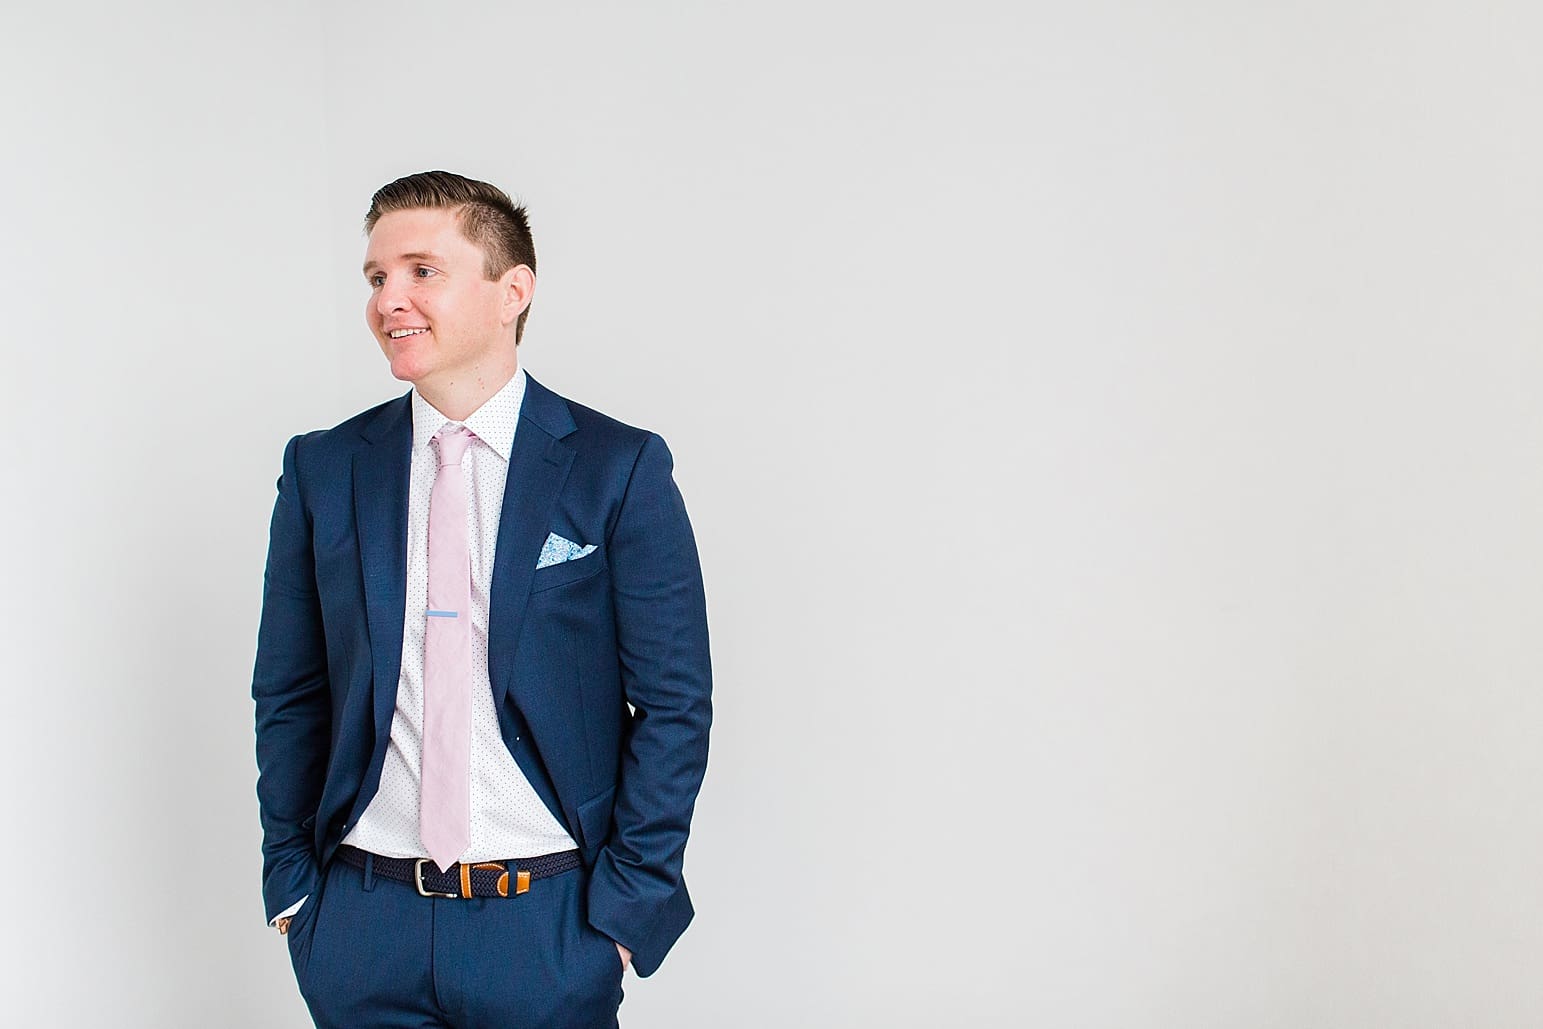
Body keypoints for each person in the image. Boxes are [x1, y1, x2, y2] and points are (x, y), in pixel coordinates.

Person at [252, 170, 713, 1028]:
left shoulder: (618, 467)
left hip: (545, 926)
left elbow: (674, 704)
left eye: (422, 270)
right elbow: (290, 690)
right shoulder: (323, 468)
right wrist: (295, 889)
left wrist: (620, 915)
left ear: (513, 291)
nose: (391, 297)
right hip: (362, 922)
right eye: (377, 276)